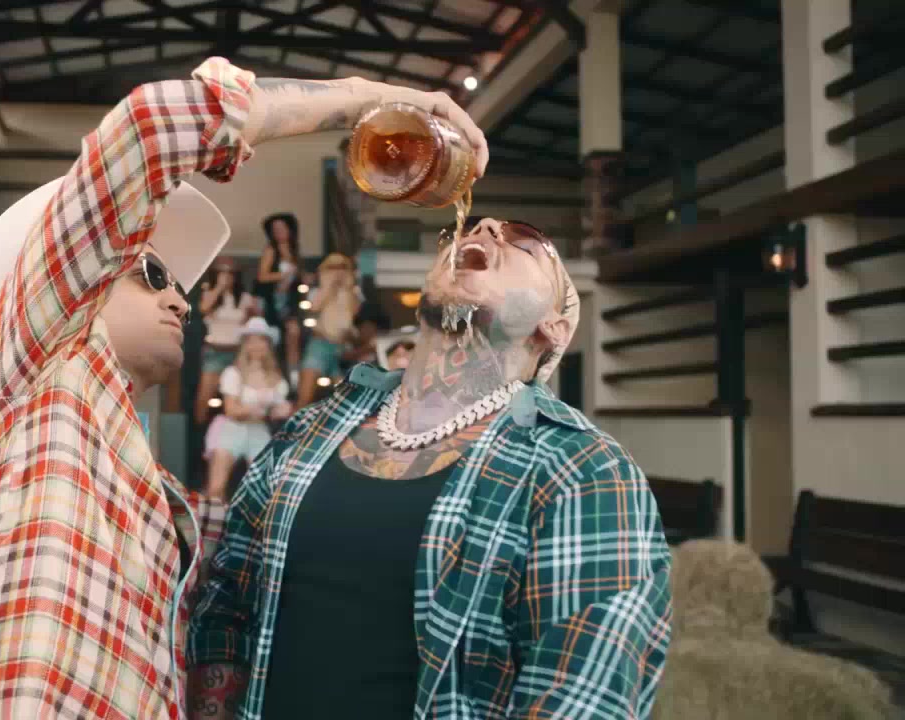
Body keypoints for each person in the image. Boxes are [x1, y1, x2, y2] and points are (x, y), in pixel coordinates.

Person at [0, 57, 488, 719]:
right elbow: (150, 128)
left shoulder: (132, 480)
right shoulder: (11, 356)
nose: (181, 302)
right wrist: (373, 99)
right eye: (153, 274)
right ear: (62, 280)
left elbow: (272, 540)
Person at [190, 217, 671, 719]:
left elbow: (581, 698)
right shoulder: (310, 428)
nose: (486, 227)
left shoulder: (582, 469)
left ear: (553, 327)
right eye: (467, 229)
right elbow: (227, 602)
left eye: (525, 240)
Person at [204, 318, 292, 501]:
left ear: (268, 345)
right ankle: (214, 520)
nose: (256, 345)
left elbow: (279, 411)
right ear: (245, 345)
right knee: (216, 488)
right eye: (251, 340)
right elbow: (231, 410)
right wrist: (261, 408)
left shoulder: (277, 378)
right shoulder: (233, 373)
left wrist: (280, 410)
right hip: (231, 429)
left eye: (261, 340)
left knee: (263, 489)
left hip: (258, 430)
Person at [197, 257, 258, 424]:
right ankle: (200, 432)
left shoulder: (245, 298)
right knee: (204, 397)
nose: (226, 277)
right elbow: (204, 308)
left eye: (230, 273)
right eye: (222, 273)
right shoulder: (209, 294)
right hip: (214, 351)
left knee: (236, 395)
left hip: (237, 352)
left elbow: (252, 324)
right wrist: (219, 287)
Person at [297, 252, 362, 407]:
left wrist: (346, 288)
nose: (338, 271)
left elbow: (354, 311)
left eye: (342, 267)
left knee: (346, 400)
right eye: (333, 267)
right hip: (320, 344)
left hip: (342, 348)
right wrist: (329, 286)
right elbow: (315, 308)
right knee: (305, 396)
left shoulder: (353, 292)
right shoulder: (317, 291)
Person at [255, 212, 304, 382]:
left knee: (293, 333)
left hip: (290, 300)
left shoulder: (294, 250)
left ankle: (294, 375)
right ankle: (273, 377)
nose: (279, 232)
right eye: (275, 229)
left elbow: (296, 278)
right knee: (273, 339)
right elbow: (262, 276)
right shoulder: (271, 250)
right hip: (271, 300)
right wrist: (283, 274)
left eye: (282, 228)